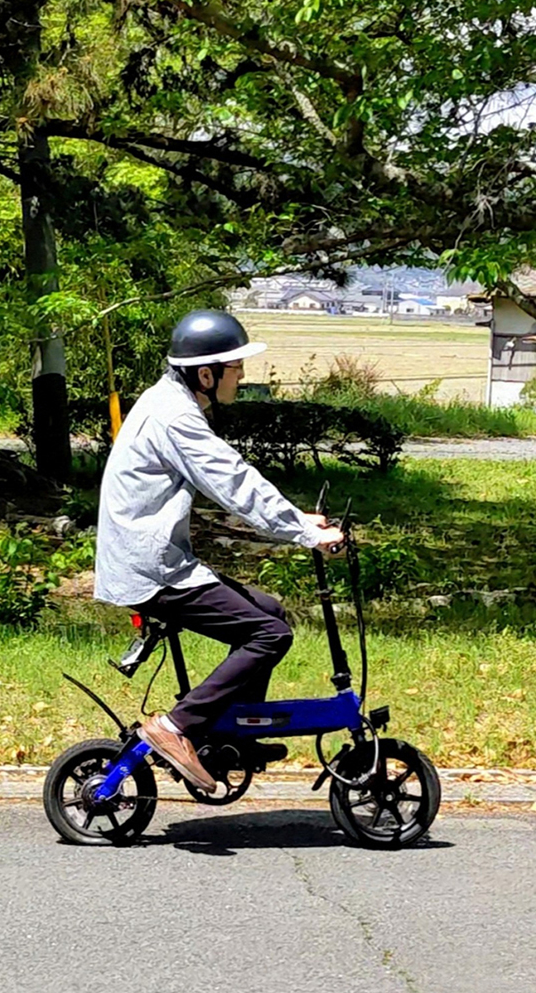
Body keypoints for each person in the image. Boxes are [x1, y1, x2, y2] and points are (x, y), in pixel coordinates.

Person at [93, 309, 343, 794]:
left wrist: (296, 519)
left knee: (267, 610)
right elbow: (232, 480)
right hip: (152, 570)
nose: (243, 377)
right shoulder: (176, 417)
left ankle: (233, 734)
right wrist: (305, 532)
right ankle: (176, 727)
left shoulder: (170, 401)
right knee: (270, 635)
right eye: (236, 368)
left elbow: (231, 480)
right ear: (205, 374)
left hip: (153, 557)